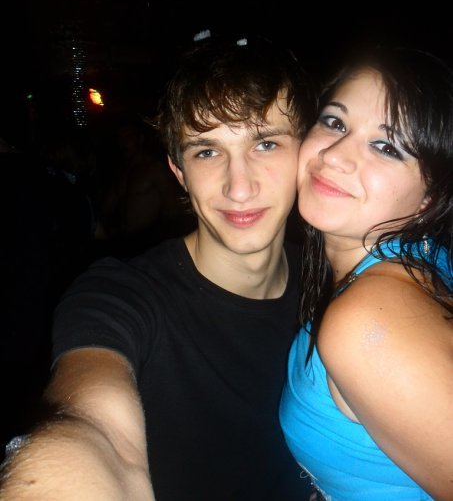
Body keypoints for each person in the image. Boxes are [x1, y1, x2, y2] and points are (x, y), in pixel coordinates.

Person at [0, 34, 316, 500]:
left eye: (265, 144)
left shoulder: (333, 282)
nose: (239, 186)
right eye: (207, 151)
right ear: (178, 171)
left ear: (306, 153)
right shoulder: (119, 296)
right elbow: (89, 427)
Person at [280, 46, 453, 500]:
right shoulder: (420, 260)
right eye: (335, 122)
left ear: (430, 197)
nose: (336, 155)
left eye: (386, 147)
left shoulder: (369, 323)